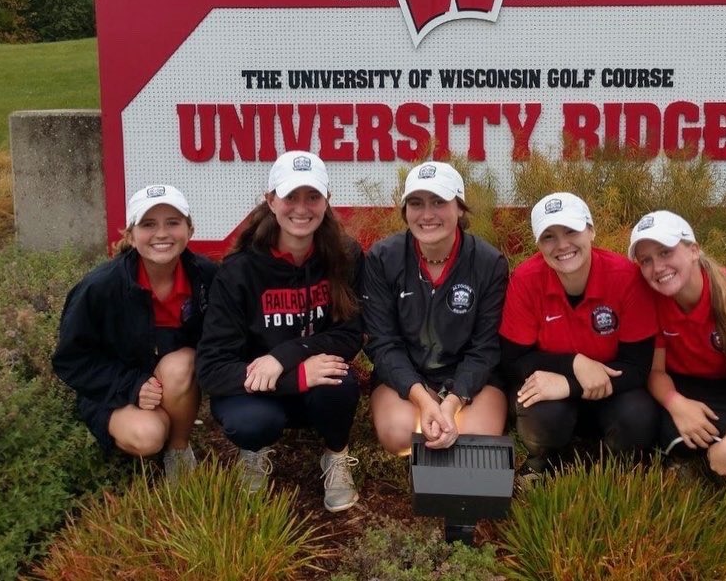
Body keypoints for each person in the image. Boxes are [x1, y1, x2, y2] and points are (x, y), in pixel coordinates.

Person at [195, 151, 364, 512]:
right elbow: (211, 368)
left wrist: (285, 355)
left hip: (310, 383)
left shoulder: (345, 255)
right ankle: (254, 453)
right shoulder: (238, 271)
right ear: (271, 201)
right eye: (290, 197)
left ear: (327, 201)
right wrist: (294, 377)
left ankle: (336, 455)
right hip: (254, 391)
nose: (301, 208)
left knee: (340, 384)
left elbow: (350, 334)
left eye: (313, 196)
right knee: (251, 423)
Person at [53, 184, 216, 480]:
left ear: (190, 230)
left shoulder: (206, 276)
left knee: (182, 364)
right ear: (130, 235)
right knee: (148, 436)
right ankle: (163, 426)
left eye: (173, 223)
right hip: (114, 390)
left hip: (174, 382)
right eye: (148, 224)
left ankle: (178, 450)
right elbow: (71, 360)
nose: (162, 234)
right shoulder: (99, 287)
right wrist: (133, 386)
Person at [499, 192, 659, 484]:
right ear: (538, 244)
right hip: (549, 391)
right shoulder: (526, 279)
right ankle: (544, 460)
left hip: (612, 389)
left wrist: (570, 385)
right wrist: (574, 363)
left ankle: (608, 466)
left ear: (591, 230)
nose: (562, 245)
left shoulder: (625, 277)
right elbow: (512, 361)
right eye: (549, 237)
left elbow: (638, 367)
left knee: (638, 417)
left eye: (571, 231)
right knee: (543, 416)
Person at [628, 210, 726, 479]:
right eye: (646, 260)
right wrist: (677, 405)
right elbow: (656, 372)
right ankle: (681, 459)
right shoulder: (650, 297)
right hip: (683, 385)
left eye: (666, 252)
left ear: (694, 250)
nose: (657, 267)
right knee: (680, 442)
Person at [363, 161, 508, 455]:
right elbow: (383, 342)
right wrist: (422, 398)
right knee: (400, 435)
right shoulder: (383, 258)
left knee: (473, 440)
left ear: (460, 208)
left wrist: (453, 400)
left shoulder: (489, 263)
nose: (427, 214)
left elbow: (485, 348)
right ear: (405, 211)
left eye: (439, 202)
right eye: (416, 203)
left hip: (470, 379)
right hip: (407, 373)